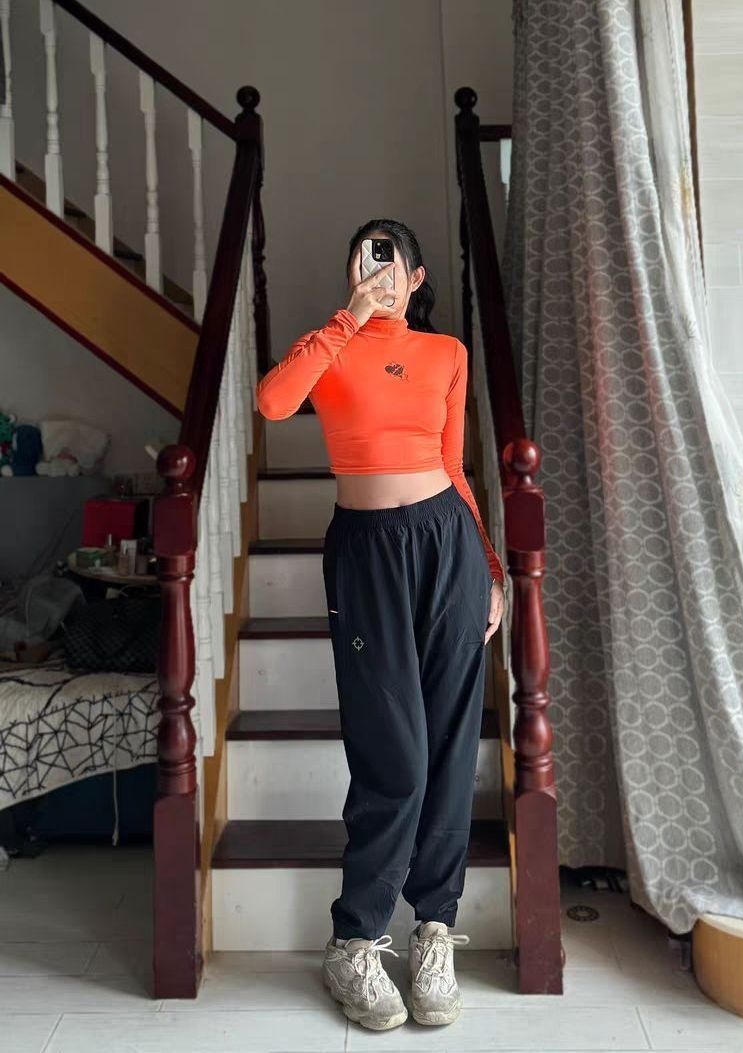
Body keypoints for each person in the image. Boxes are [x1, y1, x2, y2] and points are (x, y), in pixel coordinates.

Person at [256, 219, 505, 1031]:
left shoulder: (447, 353)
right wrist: (348, 318)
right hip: (365, 553)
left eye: (394, 260)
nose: (382, 271)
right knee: (389, 749)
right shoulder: (329, 347)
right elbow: (273, 401)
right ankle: (355, 940)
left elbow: (455, 465)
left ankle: (433, 930)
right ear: (353, 270)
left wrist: (490, 566)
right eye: (368, 257)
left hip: (447, 544)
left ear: (418, 275)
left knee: (450, 744)